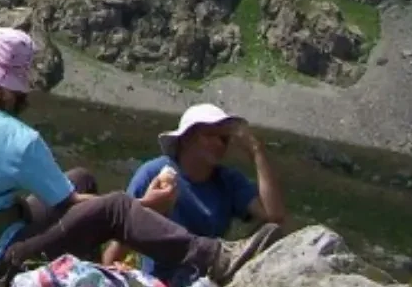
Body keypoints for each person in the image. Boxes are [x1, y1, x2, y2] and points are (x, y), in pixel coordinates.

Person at [0, 28, 279, 286]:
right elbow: (68, 207)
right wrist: (141, 208)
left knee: (82, 177)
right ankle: (216, 257)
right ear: (15, 86)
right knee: (114, 206)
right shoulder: (21, 138)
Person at [108, 104, 287, 284]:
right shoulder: (153, 174)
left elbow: (274, 216)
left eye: (224, 139)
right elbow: (123, 235)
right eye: (210, 136)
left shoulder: (229, 180)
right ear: (186, 139)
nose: (219, 144)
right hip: (160, 280)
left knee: (270, 231)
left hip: (208, 277)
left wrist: (256, 151)